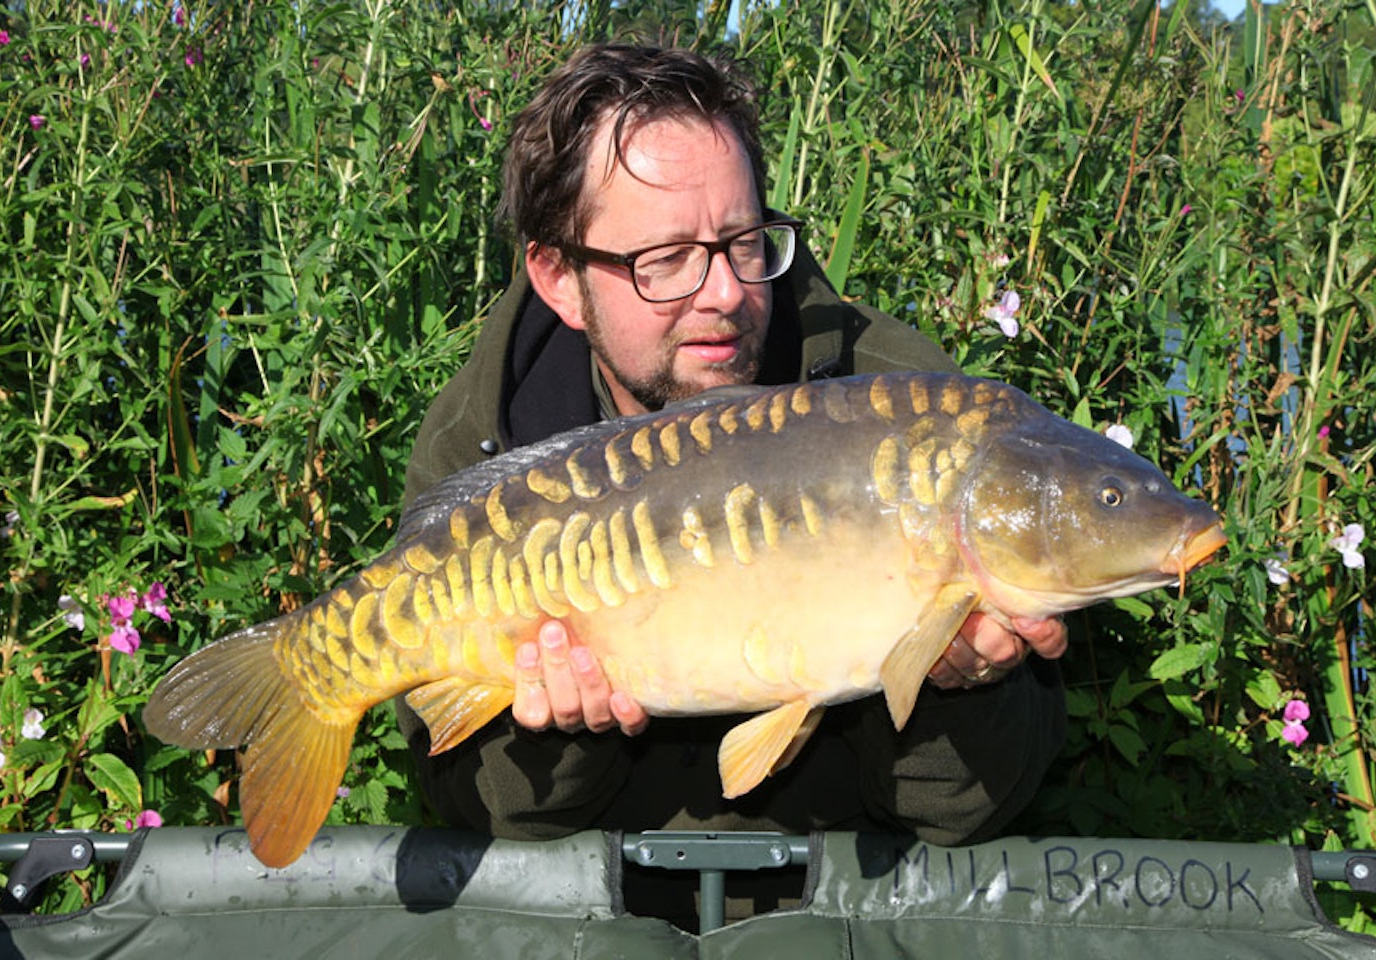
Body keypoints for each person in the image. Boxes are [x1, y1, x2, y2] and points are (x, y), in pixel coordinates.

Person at [395, 43, 1067, 854]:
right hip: (599, 907)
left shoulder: (911, 417)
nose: (724, 294)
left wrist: (964, 689)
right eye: (664, 260)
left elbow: (966, 816)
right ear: (559, 278)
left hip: (837, 895)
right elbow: (488, 812)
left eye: (744, 241)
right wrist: (563, 735)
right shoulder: (484, 437)